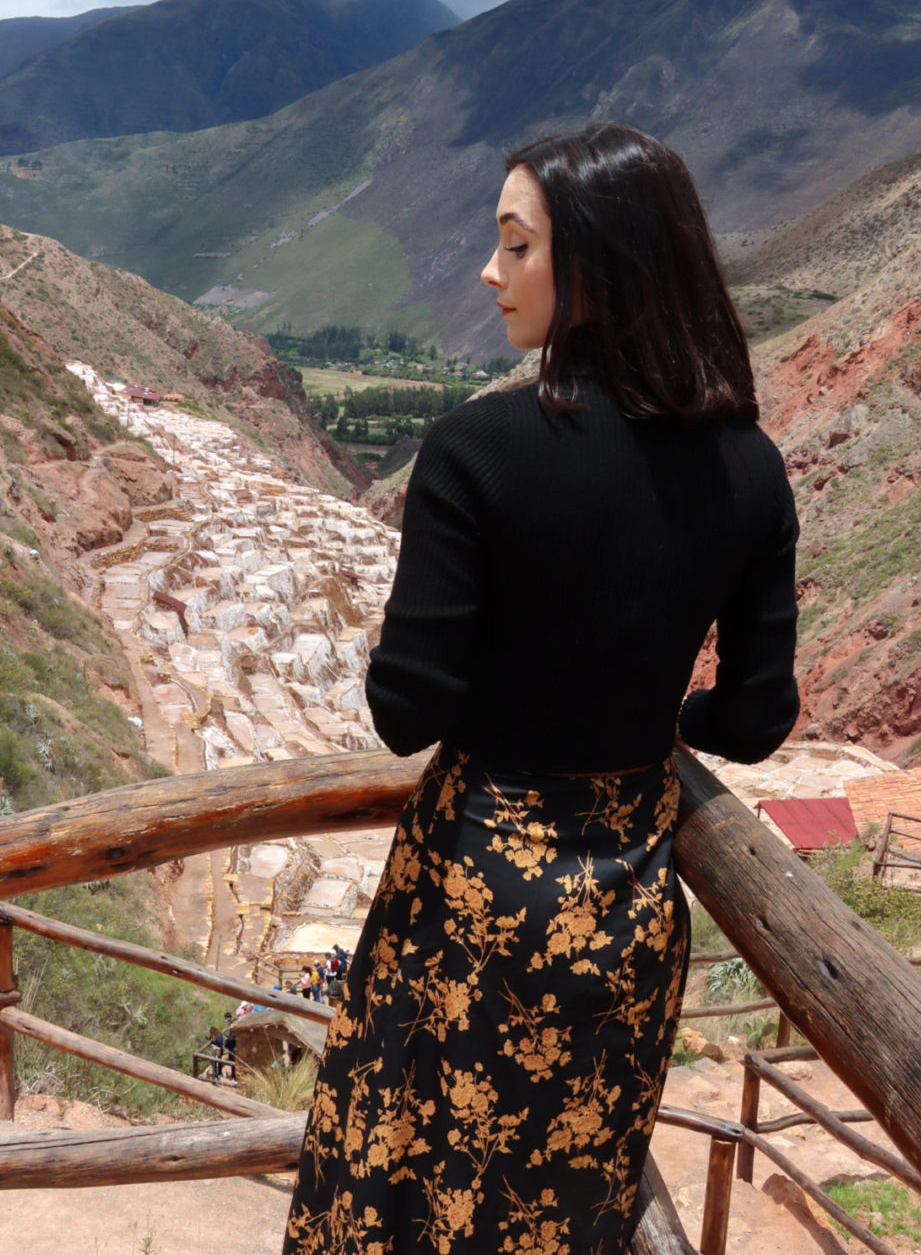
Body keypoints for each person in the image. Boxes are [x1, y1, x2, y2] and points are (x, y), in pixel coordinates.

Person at [283, 122, 799, 1254]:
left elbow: (402, 709)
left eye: (515, 246)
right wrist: (665, 725)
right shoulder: (753, 468)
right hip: (624, 911)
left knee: (399, 1191)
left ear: (595, 264)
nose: (490, 271)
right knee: (564, 1213)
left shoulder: (477, 448)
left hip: (468, 907)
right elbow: (758, 717)